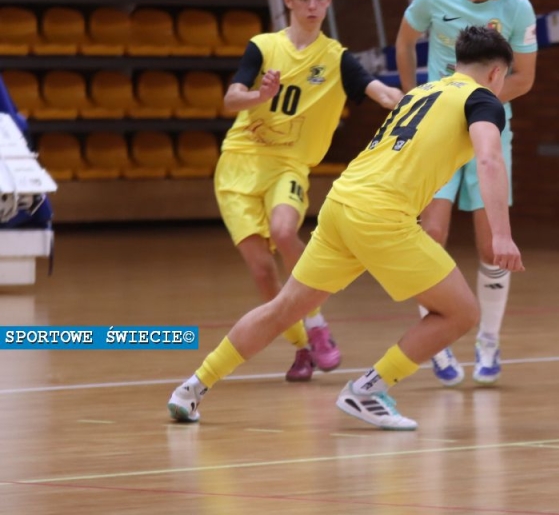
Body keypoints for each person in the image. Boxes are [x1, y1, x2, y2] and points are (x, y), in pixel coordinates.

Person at [169, 26, 524, 430]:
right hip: (380, 216)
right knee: (461, 312)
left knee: (282, 309)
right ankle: (368, 390)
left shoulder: (422, 93)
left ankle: (192, 388)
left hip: (342, 203)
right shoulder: (482, 101)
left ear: (456, 63)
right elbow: (490, 160)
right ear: (496, 74)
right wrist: (501, 234)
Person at [215, 0, 404, 382]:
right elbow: (231, 99)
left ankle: (317, 325)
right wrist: (258, 95)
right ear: (288, 1)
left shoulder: (336, 57)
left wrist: (407, 102)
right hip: (238, 165)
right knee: (263, 272)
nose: (313, 5)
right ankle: (301, 348)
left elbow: (379, 90)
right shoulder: (262, 47)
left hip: (288, 165)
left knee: (285, 231)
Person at [395, 0, 537, 386]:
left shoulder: (517, 6)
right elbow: (404, 42)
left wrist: (478, 104)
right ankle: (437, 339)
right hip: (438, 128)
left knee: (490, 244)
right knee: (430, 232)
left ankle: (489, 341)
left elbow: (525, 78)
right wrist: (410, 96)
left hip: (487, 129)